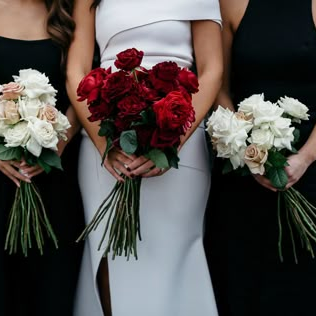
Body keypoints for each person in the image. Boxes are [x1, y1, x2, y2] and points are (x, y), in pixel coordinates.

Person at [66, 0, 223, 315]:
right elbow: (75, 71)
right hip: (107, 136)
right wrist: (105, 143)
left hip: (181, 138)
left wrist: (172, 140)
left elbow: (212, 69)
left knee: (174, 258)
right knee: (110, 258)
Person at [204, 0, 316, 315]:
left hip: (314, 169)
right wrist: (248, 151)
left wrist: (306, 157)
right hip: (243, 173)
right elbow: (219, 86)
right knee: (246, 285)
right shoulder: (230, 4)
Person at [0, 0, 84, 315]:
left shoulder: (67, 13)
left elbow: (79, 89)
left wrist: (57, 146)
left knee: (51, 283)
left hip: (53, 170)